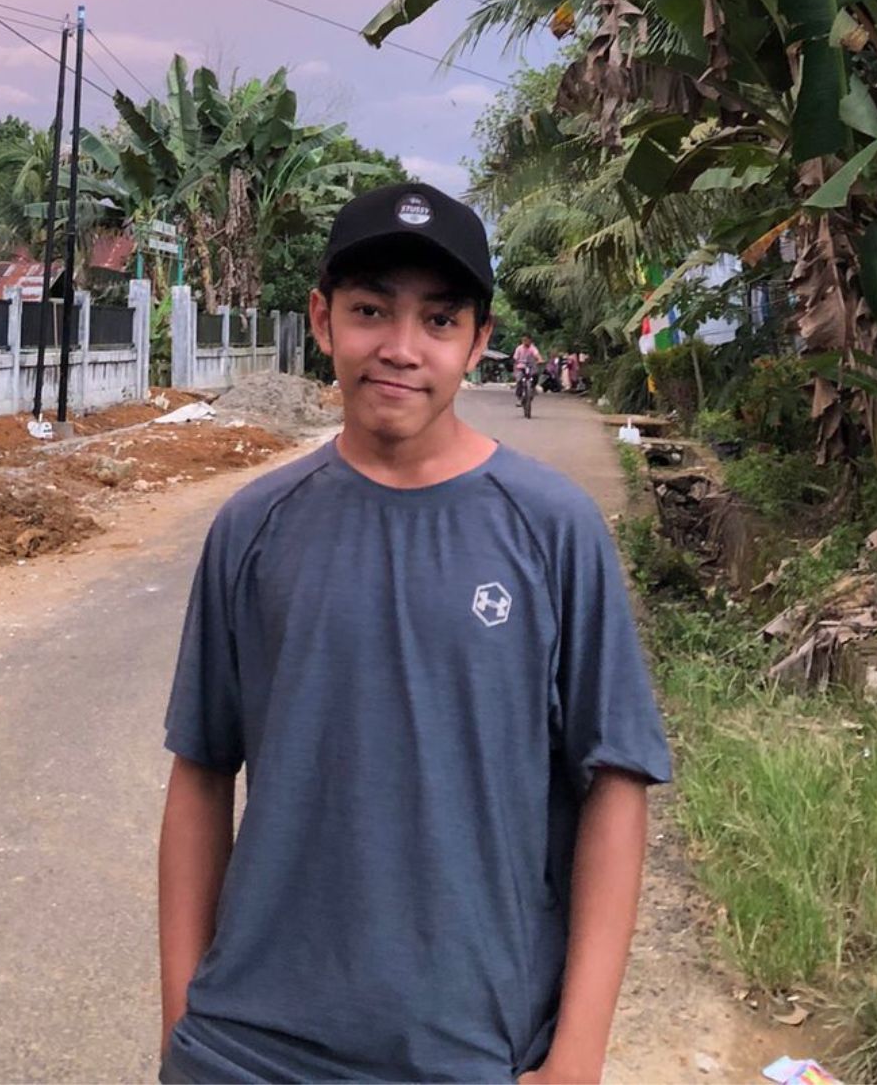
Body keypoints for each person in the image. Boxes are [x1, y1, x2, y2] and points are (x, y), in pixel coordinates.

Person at [158, 181, 671, 1085]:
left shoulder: (552, 528)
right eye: (370, 311)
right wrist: (181, 1027)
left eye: (438, 320)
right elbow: (201, 771)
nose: (400, 348)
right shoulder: (254, 526)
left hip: (468, 1048)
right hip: (247, 1048)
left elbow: (616, 781)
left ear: (478, 341)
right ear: (322, 320)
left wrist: (577, 1058)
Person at [512, 332, 542, 401]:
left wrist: (539, 359)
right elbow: (515, 359)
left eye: (526, 340)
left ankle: (533, 388)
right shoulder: (519, 348)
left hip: (530, 367)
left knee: (535, 375)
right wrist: (515, 369)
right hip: (520, 367)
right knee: (519, 380)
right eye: (523, 340)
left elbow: (537, 355)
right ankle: (519, 397)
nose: (524, 342)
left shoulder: (533, 348)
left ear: (530, 340)